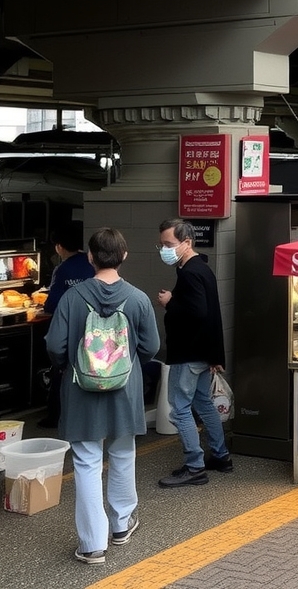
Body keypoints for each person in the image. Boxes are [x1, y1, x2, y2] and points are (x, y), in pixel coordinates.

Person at [44, 227, 160, 564]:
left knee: (86, 461)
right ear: (124, 256)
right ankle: (121, 525)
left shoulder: (72, 297)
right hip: (125, 388)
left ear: (91, 257)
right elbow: (151, 347)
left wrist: (66, 366)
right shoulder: (138, 298)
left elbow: (54, 345)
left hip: (81, 388)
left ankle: (93, 543)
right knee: (123, 454)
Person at [156, 219, 232, 487]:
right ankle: (221, 456)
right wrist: (215, 356)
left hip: (187, 353)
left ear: (186, 243)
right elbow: (212, 313)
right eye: (162, 244)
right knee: (203, 404)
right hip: (202, 351)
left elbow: (198, 312)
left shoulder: (189, 272)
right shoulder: (201, 268)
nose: (164, 249)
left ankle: (195, 466)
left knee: (179, 410)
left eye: (168, 244)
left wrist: (170, 302)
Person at [40, 222, 92, 428]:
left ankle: (55, 416)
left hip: (70, 330)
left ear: (59, 246)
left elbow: (52, 304)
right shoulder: (91, 262)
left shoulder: (62, 269)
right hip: (92, 330)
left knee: (60, 372)